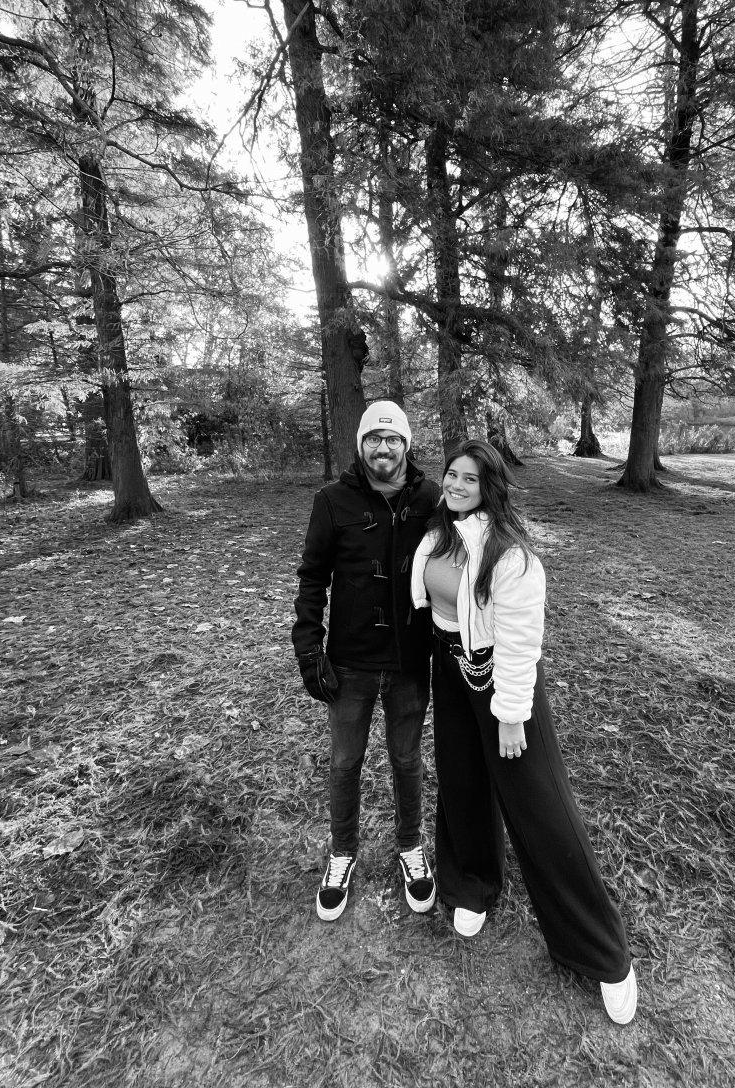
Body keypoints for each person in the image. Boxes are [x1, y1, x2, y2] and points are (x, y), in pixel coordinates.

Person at [411, 439, 638, 1025]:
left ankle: (602, 951)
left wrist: (511, 713)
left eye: (470, 478)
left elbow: (520, 641)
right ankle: (472, 884)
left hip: (501, 682)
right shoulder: (438, 533)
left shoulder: (512, 556)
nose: (456, 485)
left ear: (490, 487)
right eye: (452, 474)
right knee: (461, 781)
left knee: (539, 804)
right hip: (448, 668)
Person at [292, 400, 441, 922]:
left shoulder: (430, 497)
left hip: (409, 658)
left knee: (407, 758)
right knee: (344, 761)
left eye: (393, 438)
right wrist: (308, 647)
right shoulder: (331, 500)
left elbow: (459, 559)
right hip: (350, 660)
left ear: (406, 445)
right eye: (374, 438)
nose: (384, 447)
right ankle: (342, 852)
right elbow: (313, 578)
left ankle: (410, 846)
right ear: (361, 444)